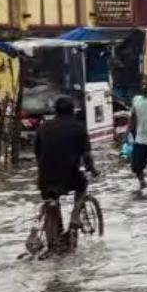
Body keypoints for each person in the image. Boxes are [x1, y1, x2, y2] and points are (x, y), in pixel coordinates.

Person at [34, 96, 99, 231]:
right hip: (68, 177)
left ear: (55, 111)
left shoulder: (43, 127)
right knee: (82, 183)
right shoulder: (79, 128)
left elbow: (37, 153)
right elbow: (86, 155)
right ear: (73, 111)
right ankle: (75, 216)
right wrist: (92, 169)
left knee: (51, 203)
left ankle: (53, 239)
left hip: (45, 179)